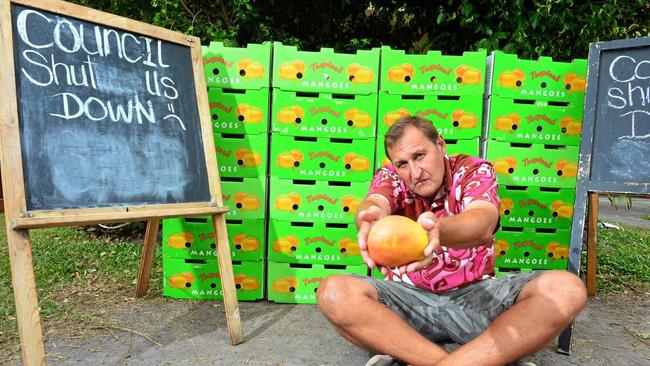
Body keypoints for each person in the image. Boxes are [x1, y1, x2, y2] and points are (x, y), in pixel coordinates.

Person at [317, 116, 587, 366]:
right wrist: (369, 216)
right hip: (409, 304)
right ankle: (478, 359)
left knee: (567, 290)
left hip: (475, 301)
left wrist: (439, 231)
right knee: (333, 293)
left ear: (441, 145)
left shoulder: (472, 170)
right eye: (402, 164)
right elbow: (376, 201)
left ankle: (414, 358)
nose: (414, 172)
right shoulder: (390, 176)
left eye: (420, 155)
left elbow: (482, 220)